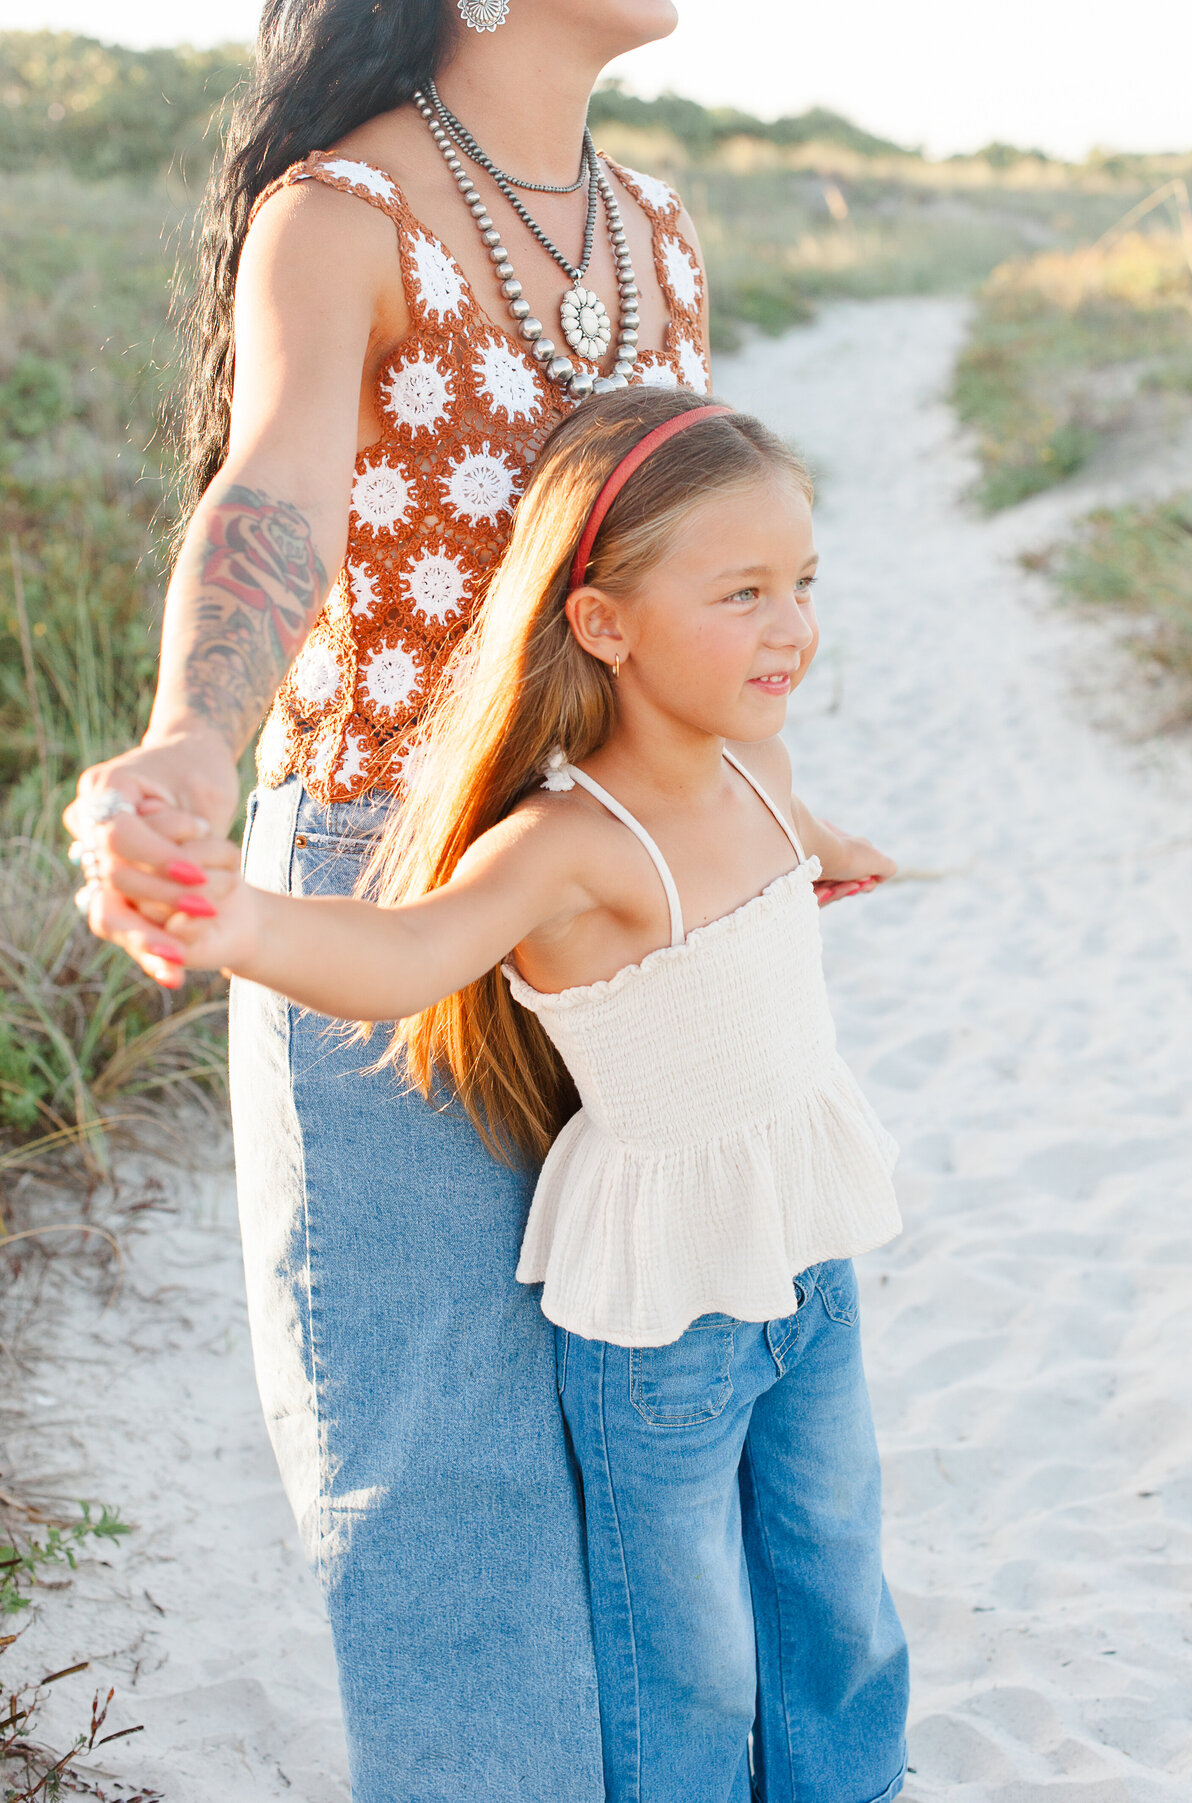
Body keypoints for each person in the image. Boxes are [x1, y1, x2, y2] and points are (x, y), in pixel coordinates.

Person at [64, 3, 726, 1794]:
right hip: (388, 877)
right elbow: (271, 489)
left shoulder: (655, 234)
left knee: (656, 1449)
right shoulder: (343, 212)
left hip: (620, 888)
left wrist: (752, 830)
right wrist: (196, 737)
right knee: (443, 1473)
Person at [131, 387, 911, 1803]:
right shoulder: (570, 843)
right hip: (664, 1312)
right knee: (690, 1647)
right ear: (606, 623)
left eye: (803, 582)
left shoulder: (758, 761)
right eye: (742, 592)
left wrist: (830, 847)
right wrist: (235, 922)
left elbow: (785, 831)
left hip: (806, 1250)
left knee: (838, 1586)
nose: (791, 624)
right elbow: (402, 954)